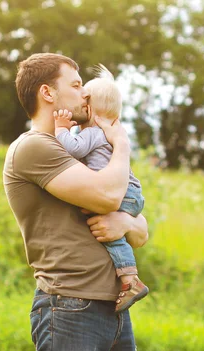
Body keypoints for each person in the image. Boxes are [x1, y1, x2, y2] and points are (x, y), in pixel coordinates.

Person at [3, 53, 149, 351]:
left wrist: (125, 224)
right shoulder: (35, 147)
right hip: (70, 308)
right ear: (47, 93)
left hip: (114, 310)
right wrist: (124, 145)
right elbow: (109, 195)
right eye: (76, 85)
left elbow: (141, 227)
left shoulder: (85, 151)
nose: (85, 95)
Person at [54, 64, 148, 313]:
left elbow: (73, 148)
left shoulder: (94, 133)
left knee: (110, 234)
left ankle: (130, 279)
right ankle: (129, 278)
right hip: (132, 192)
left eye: (84, 99)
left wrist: (61, 128)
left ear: (92, 110)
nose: (80, 100)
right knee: (110, 229)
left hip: (124, 194)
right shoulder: (104, 134)